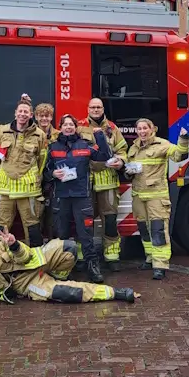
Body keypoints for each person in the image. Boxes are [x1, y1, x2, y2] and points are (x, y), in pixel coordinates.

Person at [0, 227, 137, 304]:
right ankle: (115, 293)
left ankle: (58, 276)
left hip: (36, 260)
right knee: (67, 293)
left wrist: (14, 245)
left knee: (69, 248)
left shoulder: (1, 241)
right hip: (26, 283)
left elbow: (25, 256)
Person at [110, 120, 189, 280]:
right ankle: (150, 257)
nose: (142, 131)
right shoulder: (133, 148)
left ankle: (160, 265)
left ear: (152, 129)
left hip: (156, 196)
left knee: (158, 230)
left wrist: (183, 139)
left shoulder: (162, 144)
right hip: (138, 196)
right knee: (144, 229)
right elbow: (128, 172)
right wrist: (128, 172)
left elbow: (179, 156)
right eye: (139, 128)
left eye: (145, 128)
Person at [45, 114, 111, 282]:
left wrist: (99, 136)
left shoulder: (85, 145)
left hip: (82, 197)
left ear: (75, 127)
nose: (68, 127)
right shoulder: (52, 147)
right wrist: (52, 174)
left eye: (71, 125)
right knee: (61, 234)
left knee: (86, 235)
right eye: (65, 124)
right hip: (61, 197)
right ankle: (61, 268)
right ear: (60, 128)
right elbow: (44, 172)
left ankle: (93, 268)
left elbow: (104, 156)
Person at [0, 100, 49, 246]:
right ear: (15, 113)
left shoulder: (39, 135)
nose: (22, 114)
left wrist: (37, 180)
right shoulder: (2, 132)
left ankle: (35, 258)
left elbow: (42, 161)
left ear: (31, 115)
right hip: (4, 187)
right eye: (20, 111)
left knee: (33, 226)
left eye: (26, 112)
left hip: (29, 190)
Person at [80, 98, 129, 271]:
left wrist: (120, 161)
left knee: (109, 220)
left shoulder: (112, 128)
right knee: (85, 221)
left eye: (98, 107)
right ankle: (84, 256)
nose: (95, 110)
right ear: (88, 109)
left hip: (107, 181)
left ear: (103, 109)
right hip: (86, 182)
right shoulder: (79, 127)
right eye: (92, 107)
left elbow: (122, 150)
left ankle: (112, 256)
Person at [33, 102, 59, 238]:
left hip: (52, 180)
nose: (44, 119)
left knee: (53, 215)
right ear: (36, 117)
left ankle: (52, 242)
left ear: (51, 117)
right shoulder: (31, 134)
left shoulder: (59, 135)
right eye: (41, 116)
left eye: (47, 116)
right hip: (35, 179)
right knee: (35, 215)